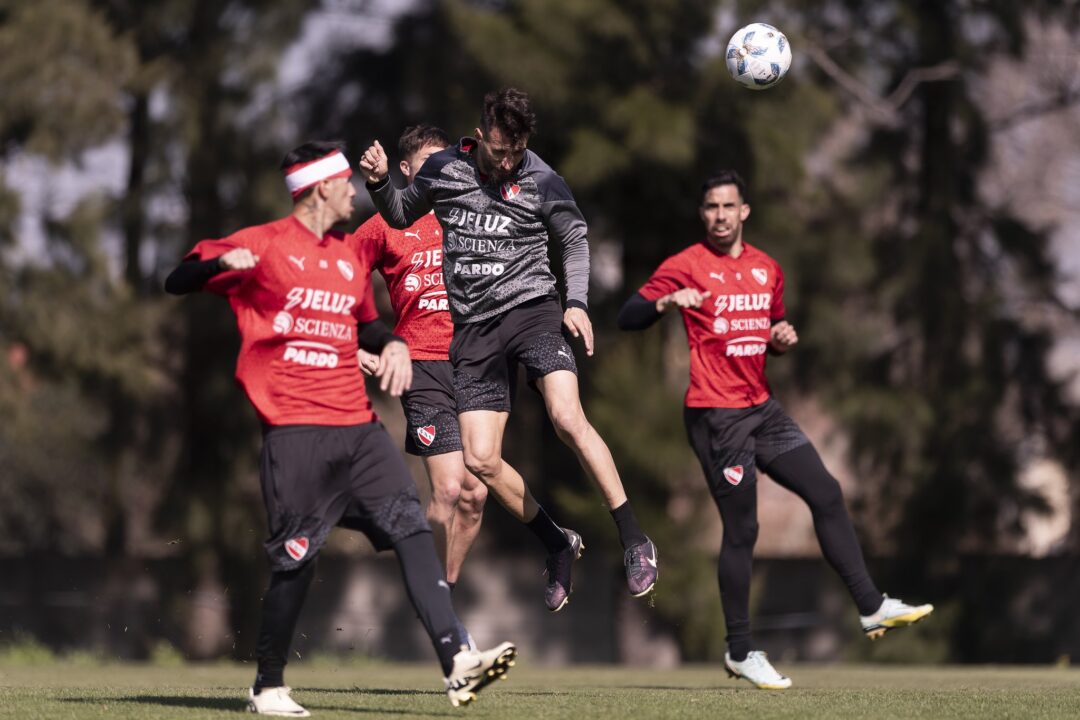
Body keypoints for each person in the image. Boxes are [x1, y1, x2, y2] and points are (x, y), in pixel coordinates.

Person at [164, 140, 515, 714]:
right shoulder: (263, 244)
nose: (354, 192)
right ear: (322, 188)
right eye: (346, 183)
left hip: (358, 427)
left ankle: (457, 659)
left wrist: (395, 345)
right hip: (295, 432)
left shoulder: (347, 259)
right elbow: (175, 280)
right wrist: (216, 266)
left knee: (410, 520)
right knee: (296, 558)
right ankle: (268, 685)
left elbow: (368, 329)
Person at [617, 170, 932, 689]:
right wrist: (664, 304)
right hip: (716, 417)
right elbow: (629, 315)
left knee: (827, 493)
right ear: (703, 215)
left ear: (745, 211)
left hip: (763, 409)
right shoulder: (686, 265)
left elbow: (766, 334)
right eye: (710, 207)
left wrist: (779, 339)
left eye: (728, 206)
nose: (719, 215)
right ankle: (740, 650)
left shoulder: (767, 269)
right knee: (744, 531)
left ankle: (871, 606)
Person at [359, 88, 659, 612]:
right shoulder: (445, 170)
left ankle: (634, 538)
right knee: (480, 461)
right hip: (474, 331)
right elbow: (402, 214)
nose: (506, 162)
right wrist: (382, 182)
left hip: (534, 312)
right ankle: (556, 542)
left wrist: (578, 302)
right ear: (479, 136)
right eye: (499, 151)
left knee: (566, 418)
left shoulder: (542, 177)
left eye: (515, 153)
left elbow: (574, 238)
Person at [352, 125, 490, 590]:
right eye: (431, 164)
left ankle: (441, 596)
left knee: (476, 494)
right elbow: (337, 283)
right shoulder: (383, 224)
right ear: (407, 171)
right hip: (422, 365)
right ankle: (437, 607)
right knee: (449, 489)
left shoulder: (469, 213)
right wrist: (358, 348)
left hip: (474, 363)